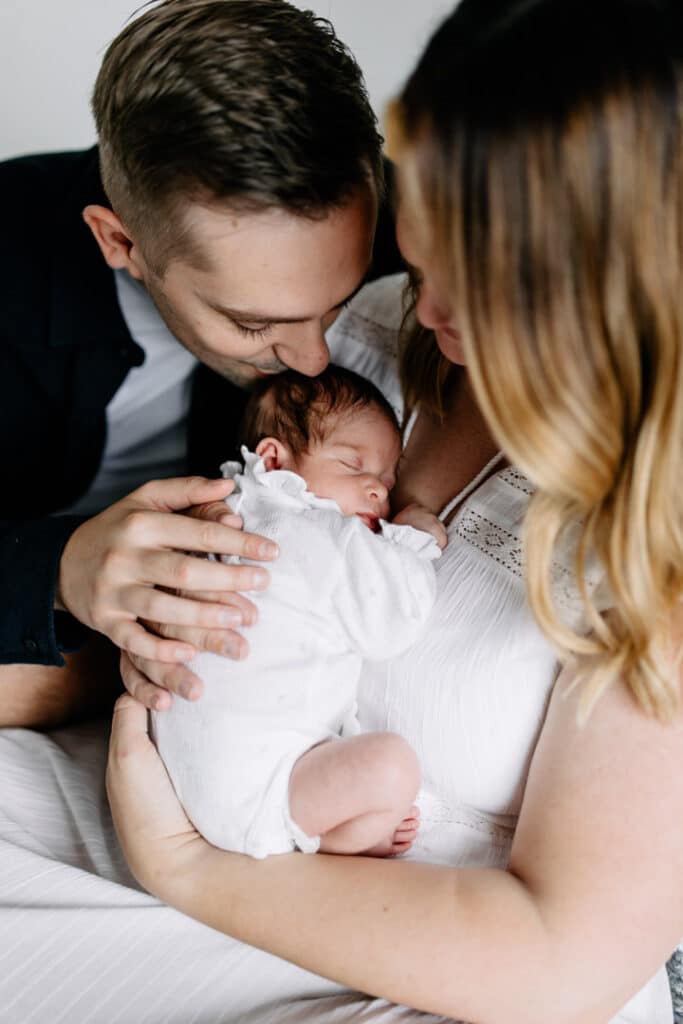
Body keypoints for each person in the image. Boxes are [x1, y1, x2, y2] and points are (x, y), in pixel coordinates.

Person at [104, 1, 683, 1023]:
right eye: (420, 259)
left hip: (447, 966)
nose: (418, 308)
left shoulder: (656, 536)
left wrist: (189, 865)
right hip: (209, 813)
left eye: (479, 283)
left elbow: (559, 960)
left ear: (619, 291)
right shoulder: (368, 347)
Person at [0, 0, 402, 728]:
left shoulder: (417, 236)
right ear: (118, 242)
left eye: (337, 303)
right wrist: (57, 569)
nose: (313, 359)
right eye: (252, 322)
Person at [153, 364, 444, 860]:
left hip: (176, 773)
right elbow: (395, 621)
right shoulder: (323, 534)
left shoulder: (220, 516)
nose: (378, 491)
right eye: (355, 466)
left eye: (388, 483)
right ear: (274, 461)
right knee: (394, 768)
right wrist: (415, 540)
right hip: (266, 790)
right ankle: (331, 835)